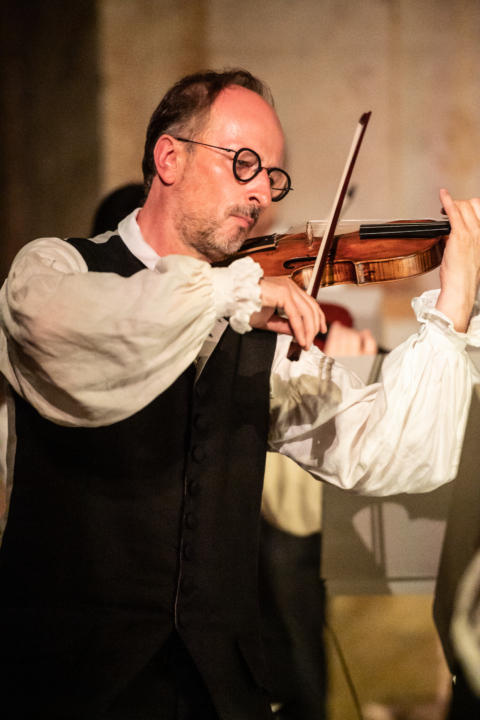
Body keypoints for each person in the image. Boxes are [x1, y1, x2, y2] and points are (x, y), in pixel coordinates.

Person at [0, 69, 479, 720]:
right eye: (244, 164)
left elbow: (385, 445)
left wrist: (451, 308)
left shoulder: (257, 315)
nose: (262, 192)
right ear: (169, 157)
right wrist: (232, 295)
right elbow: (82, 327)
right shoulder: (59, 271)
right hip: (68, 685)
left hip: (217, 692)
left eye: (273, 177)